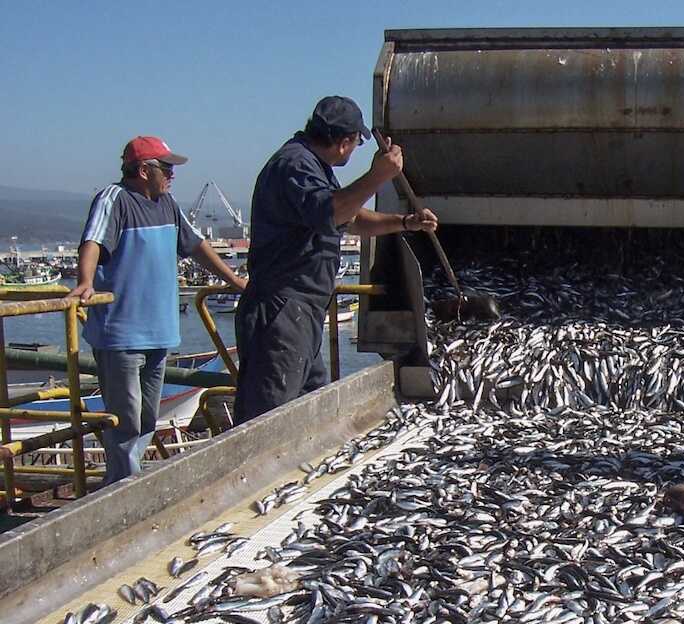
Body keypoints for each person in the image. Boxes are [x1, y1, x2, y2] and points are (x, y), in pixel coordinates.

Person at [234, 96, 437, 423]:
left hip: (301, 313)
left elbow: (351, 217)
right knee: (266, 422)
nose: (356, 149)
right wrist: (378, 176)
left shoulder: (313, 167)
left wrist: (404, 222)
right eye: (357, 143)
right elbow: (334, 211)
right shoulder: (295, 165)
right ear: (344, 142)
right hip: (281, 312)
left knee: (309, 416)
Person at [71, 136, 247, 485]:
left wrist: (234, 280)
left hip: (159, 331)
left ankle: (126, 483)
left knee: (148, 416)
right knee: (125, 418)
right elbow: (92, 241)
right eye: (166, 168)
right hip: (121, 333)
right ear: (143, 169)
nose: (172, 175)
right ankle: (123, 488)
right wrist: (86, 281)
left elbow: (196, 245)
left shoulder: (167, 205)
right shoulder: (115, 199)